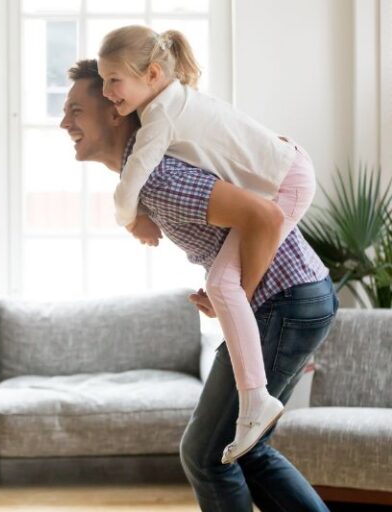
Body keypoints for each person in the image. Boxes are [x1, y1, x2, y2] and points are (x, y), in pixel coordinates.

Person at [61, 58, 337, 511]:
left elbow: (264, 216)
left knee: (207, 455)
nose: (64, 123)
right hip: (296, 296)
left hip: (284, 301)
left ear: (115, 110)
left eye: (75, 111)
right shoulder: (146, 173)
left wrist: (241, 294)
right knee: (243, 452)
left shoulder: (158, 176)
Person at [97, 25, 318, 462]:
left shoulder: (161, 117)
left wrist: (132, 220)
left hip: (286, 183)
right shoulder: (173, 100)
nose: (106, 93)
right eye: (103, 81)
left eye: (113, 80)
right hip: (288, 169)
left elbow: (128, 186)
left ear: (153, 74)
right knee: (226, 284)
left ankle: (256, 400)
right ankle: (277, 372)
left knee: (223, 285)